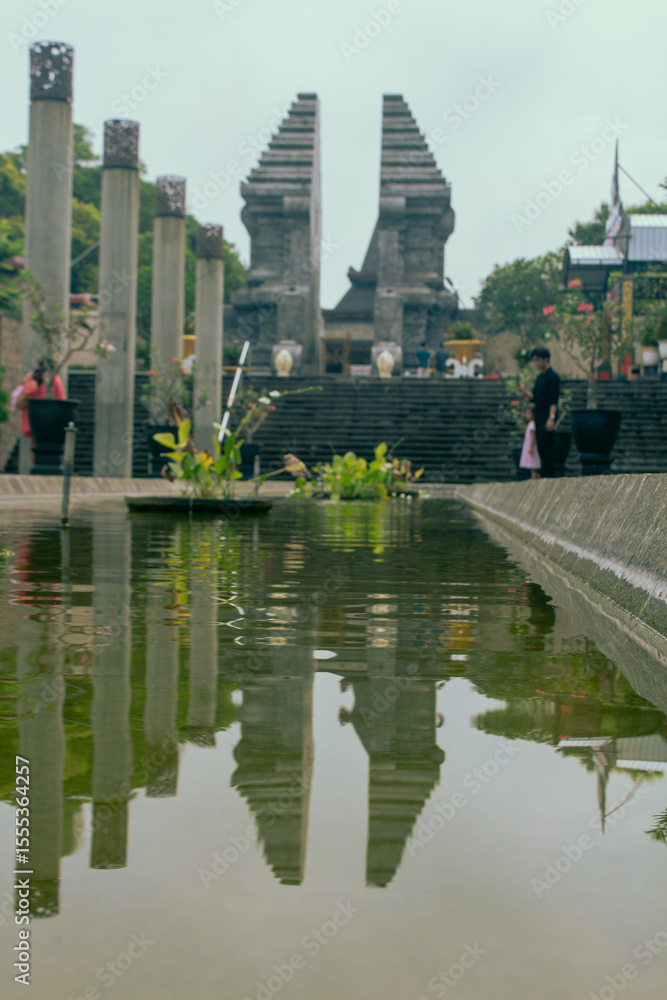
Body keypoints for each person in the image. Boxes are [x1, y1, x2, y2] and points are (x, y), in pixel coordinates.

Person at [521, 347, 560, 478]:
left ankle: (549, 476)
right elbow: (535, 397)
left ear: (545, 359)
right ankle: (541, 475)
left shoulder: (553, 377)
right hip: (538, 416)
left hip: (546, 417)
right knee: (539, 448)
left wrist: (551, 418)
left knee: (547, 448)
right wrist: (523, 391)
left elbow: (554, 400)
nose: (535, 364)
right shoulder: (539, 378)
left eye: (537, 360)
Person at [16, 359, 65, 444]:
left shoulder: (31, 377)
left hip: (33, 419)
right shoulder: (54, 378)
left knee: (35, 446)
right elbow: (61, 400)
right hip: (49, 420)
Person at [519, 404, 541, 480]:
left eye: (528, 413)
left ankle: (534, 479)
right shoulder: (531, 424)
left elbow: (532, 437)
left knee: (534, 466)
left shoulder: (532, 425)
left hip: (533, 449)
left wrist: (531, 447)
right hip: (531, 448)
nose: (527, 415)